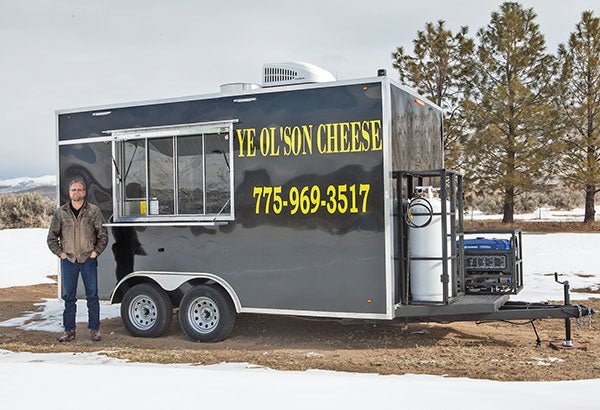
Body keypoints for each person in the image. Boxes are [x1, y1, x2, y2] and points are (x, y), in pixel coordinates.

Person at [47, 178, 108, 342]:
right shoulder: (61, 213)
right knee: (69, 298)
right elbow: (51, 238)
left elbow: (103, 236)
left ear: (85, 192)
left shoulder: (93, 211)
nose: (76, 192)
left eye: (79, 190)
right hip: (69, 261)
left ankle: (94, 330)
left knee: (92, 297)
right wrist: (61, 253)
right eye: (73, 190)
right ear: (69, 192)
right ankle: (69, 331)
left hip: (88, 259)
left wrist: (96, 252)